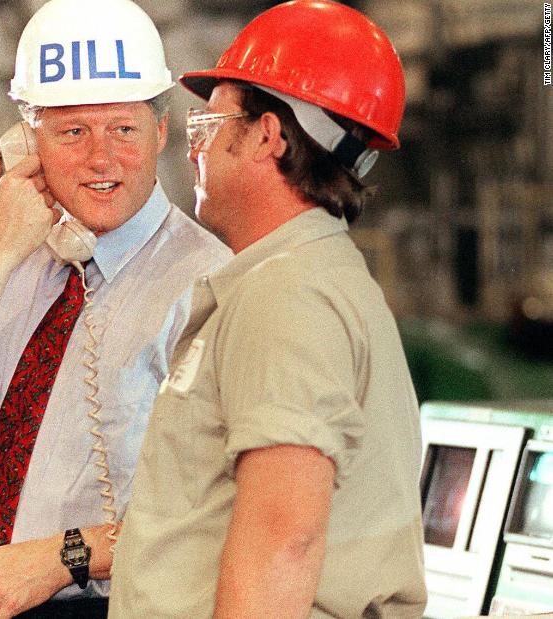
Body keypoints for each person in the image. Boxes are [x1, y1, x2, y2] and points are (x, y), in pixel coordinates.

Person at [0, 1, 229, 617]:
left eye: (123, 129)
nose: (101, 158)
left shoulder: (211, 285)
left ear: (163, 132)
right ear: (26, 143)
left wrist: (57, 558)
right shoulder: (11, 262)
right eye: (72, 132)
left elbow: (225, 508)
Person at [108, 2, 428, 617]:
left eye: (207, 129)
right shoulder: (295, 280)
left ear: (267, 135)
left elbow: (285, 539)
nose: (194, 152)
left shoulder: (289, 296)